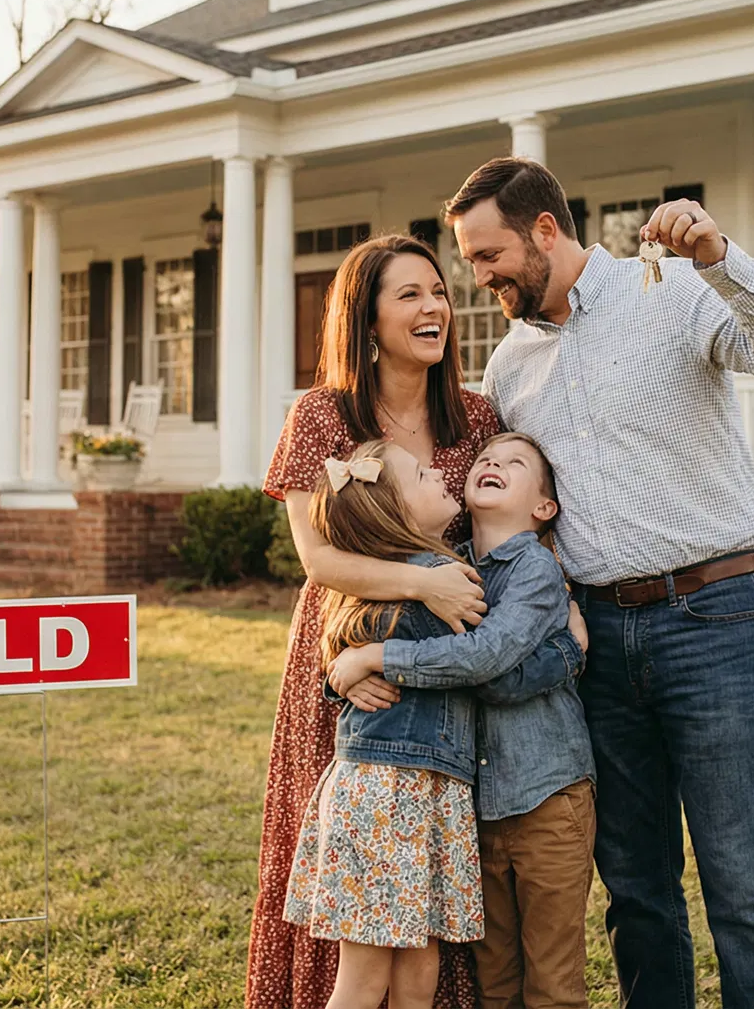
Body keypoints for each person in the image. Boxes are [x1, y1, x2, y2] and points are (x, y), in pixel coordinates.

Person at [445, 157, 754, 1009]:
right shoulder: (510, 369)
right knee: (637, 890)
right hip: (596, 645)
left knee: (747, 887)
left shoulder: (672, 292)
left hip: (715, 618)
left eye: (487, 254)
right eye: (469, 261)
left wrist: (719, 256)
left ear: (546, 229)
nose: (479, 278)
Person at [252, 233, 501, 1009]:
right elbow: (319, 557)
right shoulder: (321, 415)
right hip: (347, 651)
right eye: (411, 295)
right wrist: (423, 588)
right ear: (366, 319)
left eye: (439, 291)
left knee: (428, 853)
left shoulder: (477, 415)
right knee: (352, 859)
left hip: (448, 663)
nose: (435, 308)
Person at [330, 432, 598, 1009]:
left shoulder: (533, 570)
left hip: (546, 793)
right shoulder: (442, 572)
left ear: (543, 508)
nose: (494, 463)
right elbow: (360, 630)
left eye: (516, 463)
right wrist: (346, 667)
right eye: (486, 458)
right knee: (493, 980)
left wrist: (377, 661)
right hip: (473, 808)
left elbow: (489, 669)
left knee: (552, 980)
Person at [283, 440, 489, 1009]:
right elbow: (480, 654)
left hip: (412, 788)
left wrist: (346, 670)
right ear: (397, 514)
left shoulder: (379, 586)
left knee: (418, 963)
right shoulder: (439, 581)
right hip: (388, 792)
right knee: (368, 974)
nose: (440, 473)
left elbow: (354, 650)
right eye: (424, 475)